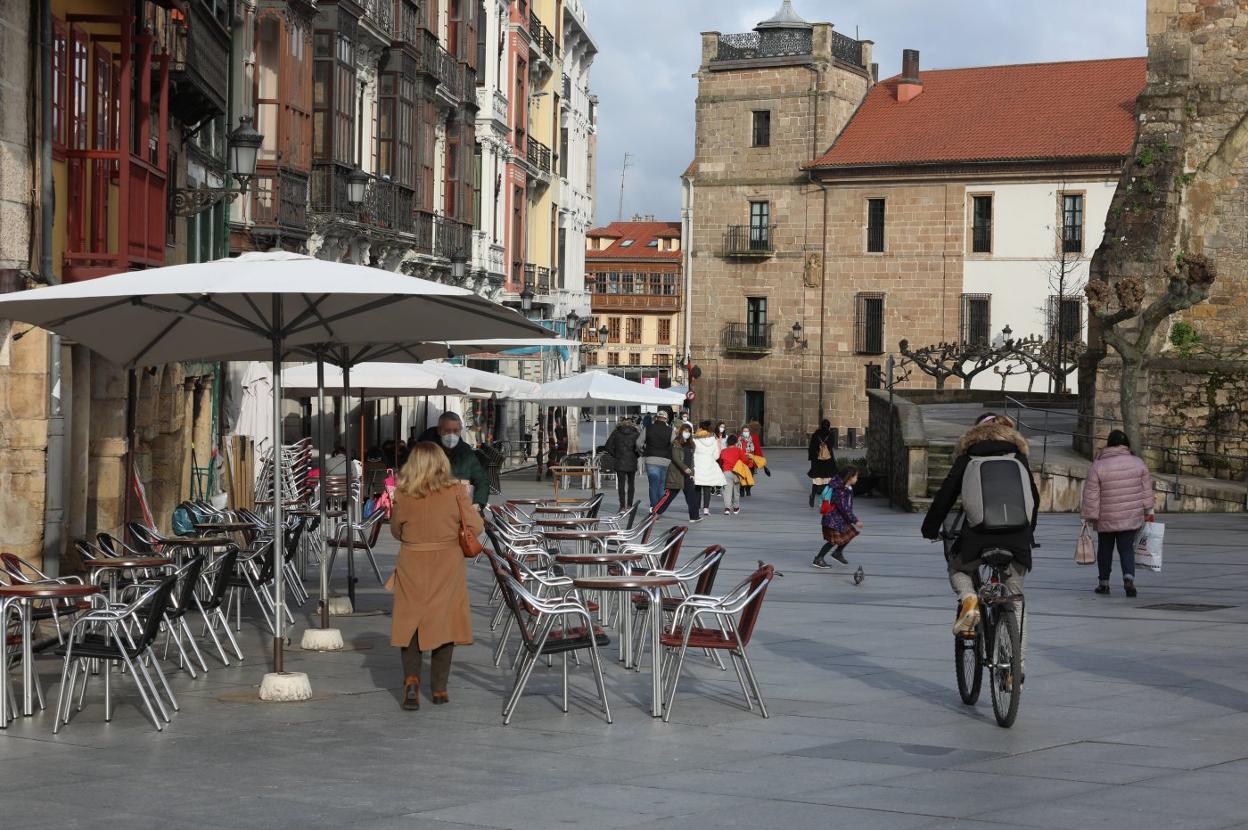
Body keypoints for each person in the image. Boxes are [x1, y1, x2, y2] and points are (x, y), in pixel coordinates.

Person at [922, 414, 1039, 636]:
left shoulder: (967, 457)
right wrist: (1029, 531)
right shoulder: (1017, 456)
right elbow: (1033, 497)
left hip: (978, 537)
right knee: (1016, 600)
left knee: (958, 569)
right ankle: (1017, 668)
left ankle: (969, 597)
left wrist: (929, 529)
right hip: (1017, 538)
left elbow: (945, 496)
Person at [387, 442, 484, 710]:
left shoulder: (404, 494)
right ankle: (439, 689)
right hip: (447, 564)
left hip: (412, 562)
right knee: (445, 622)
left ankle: (411, 679)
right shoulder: (455, 491)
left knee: (411, 623)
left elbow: (396, 531)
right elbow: (476, 526)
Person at [1081, 429, 1154, 597]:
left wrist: (1089, 516)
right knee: (1127, 549)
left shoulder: (1098, 465)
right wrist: (1148, 510)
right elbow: (1146, 491)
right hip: (1130, 517)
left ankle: (1104, 583)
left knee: (1105, 549)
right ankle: (1128, 578)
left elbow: (1091, 494)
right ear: (1126, 444)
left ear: (1109, 444)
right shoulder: (1138, 463)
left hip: (1106, 516)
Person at [417, 412, 490, 508]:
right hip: (433, 508)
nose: (452, 435)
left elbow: (482, 480)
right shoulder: (425, 451)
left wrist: (478, 502)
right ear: (439, 430)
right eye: (447, 431)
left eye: (456, 431)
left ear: (460, 431)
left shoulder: (466, 451)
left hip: (462, 508)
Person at [813, 466, 863, 567]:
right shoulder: (840, 490)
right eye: (856, 476)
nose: (857, 478)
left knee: (850, 534)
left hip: (840, 519)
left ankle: (837, 553)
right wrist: (855, 520)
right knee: (832, 542)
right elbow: (844, 508)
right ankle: (819, 559)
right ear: (849, 477)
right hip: (832, 520)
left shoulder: (846, 488)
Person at [654, 423, 700, 522]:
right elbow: (675, 458)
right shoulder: (676, 443)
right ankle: (655, 513)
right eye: (685, 431)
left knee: (691, 496)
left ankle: (694, 517)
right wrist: (685, 468)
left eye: (689, 432)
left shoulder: (692, 444)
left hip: (687, 475)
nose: (687, 433)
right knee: (669, 496)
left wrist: (692, 473)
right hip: (676, 473)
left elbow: (691, 460)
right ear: (681, 431)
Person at [604, 416, 642, 511]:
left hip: (619, 461)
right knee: (631, 484)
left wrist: (615, 454)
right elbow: (641, 447)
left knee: (621, 485)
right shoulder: (636, 433)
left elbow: (607, 446)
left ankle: (622, 506)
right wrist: (636, 455)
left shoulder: (616, 433)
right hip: (632, 461)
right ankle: (629, 505)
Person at [640, 409, 674, 510]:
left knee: (653, 485)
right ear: (666, 419)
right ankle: (659, 509)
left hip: (651, 459)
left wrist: (643, 450)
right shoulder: (670, 430)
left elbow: (639, 442)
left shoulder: (648, 428)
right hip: (665, 461)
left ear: (656, 418)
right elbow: (674, 444)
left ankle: (654, 508)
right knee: (662, 486)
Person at [692, 420, 726, 517]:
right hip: (709, 464)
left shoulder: (695, 439)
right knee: (707, 488)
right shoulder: (713, 439)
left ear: (701, 427)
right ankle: (706, 509)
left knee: (697, 488)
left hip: (698, 464)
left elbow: (692, 452)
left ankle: (697, 508)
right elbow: (716, 455)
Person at [718, 433, 753, 515]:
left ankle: (727, 508)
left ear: (727, 442)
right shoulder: (738, 450)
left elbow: (720, 462)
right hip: (736, 472)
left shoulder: (723, 451)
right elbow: (745, 461)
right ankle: (736, 507)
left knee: (727, 491)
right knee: (736, 490)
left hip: (726, 472)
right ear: (736, 442)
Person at [807, 419, 838, 508]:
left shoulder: (815, 435)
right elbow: (831, 447)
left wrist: (813, 460)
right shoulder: (831, 435)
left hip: (818, 462)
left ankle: (812, 496)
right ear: (829, 426)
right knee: (828, 482)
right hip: (828, 462)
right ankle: (826, 500)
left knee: (816, 482)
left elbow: (811, 448)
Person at [739, 421, 769, 495]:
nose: (746, 432)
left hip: (750, 461)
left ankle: (748, 489)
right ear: (742, 432)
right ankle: (742, 489)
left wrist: (761, 462)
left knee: (750, 476)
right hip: (742, 461)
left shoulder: (754, 438)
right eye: (744, 431)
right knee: (742, 476)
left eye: (747, 431)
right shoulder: (738, 439)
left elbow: (758, 450)